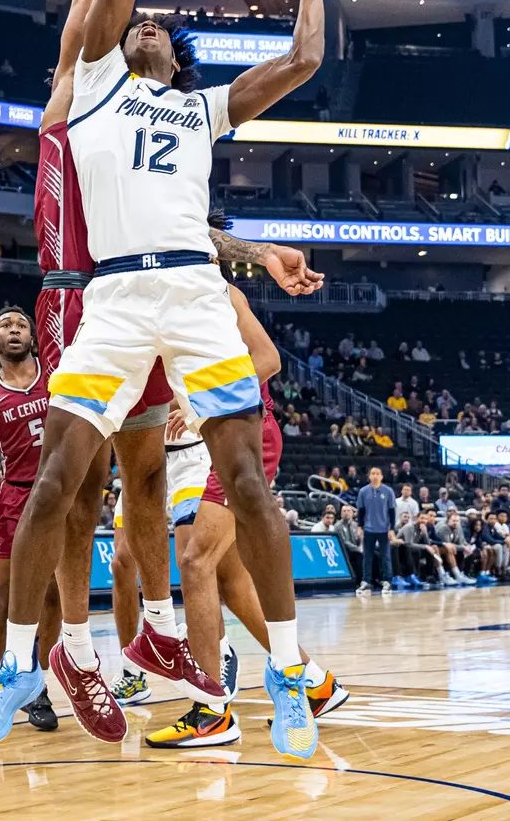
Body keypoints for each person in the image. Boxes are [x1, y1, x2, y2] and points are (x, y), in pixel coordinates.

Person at [0, 0, 328, 763]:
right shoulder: (89, 86)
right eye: (141, 21)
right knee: (58, 482)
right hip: (112, 298)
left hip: (199, 293)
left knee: (247, 482)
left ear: (179, 58)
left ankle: (285, 673)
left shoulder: (202, 111)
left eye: (165, 26)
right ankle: (21, 666)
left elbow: (305, 60)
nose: (150, 23)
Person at [143, 265, 347, 748]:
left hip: (247, 433)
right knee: (230, 581)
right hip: (219, 439)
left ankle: (211, 711)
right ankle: (316, 682)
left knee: (194, 562)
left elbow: (268, 359)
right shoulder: (154, 298)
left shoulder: (221, 290)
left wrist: (193, 404)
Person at [0, 307, 60, 733]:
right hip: (15, 496)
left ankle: (33, 680)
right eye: (4, 325)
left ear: (33, 336)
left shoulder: (56, 377)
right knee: (6, 597)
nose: (15, 329)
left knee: (54, 596)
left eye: (22, 324)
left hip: (58, 496)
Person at [355, 467, 396, 596]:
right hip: (368, 529)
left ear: (381, 476)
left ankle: (387, 581)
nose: (375, 476)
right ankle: (366, 581)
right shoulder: (363, 491)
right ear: (369, 476)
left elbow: (392, 512)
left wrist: (391, 528)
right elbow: (361, 511)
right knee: (367, 557)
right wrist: (360, 526)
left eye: (377, 473)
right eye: (373, 473)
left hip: (384, 529)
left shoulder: (388, 491)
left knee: (386, 557)